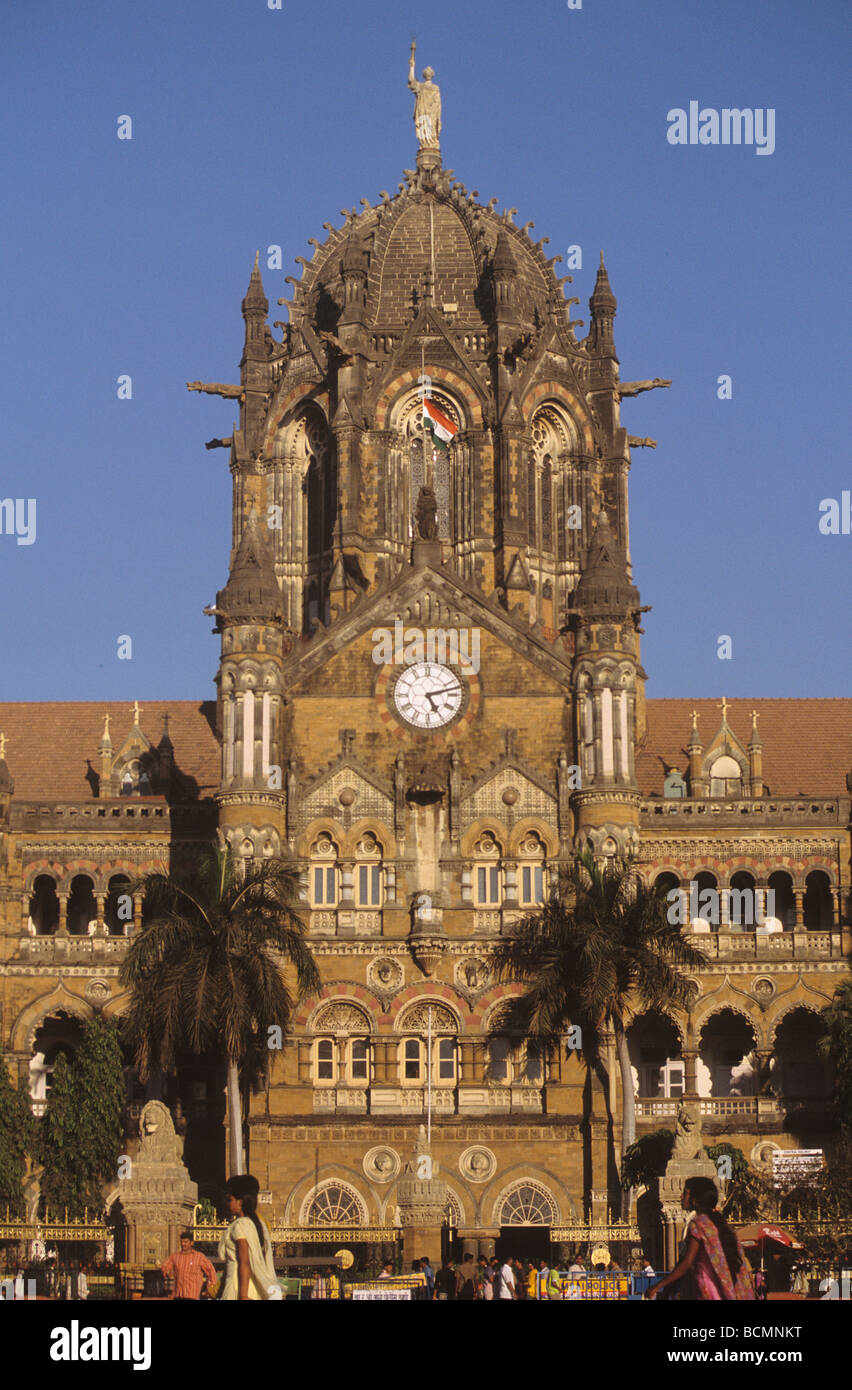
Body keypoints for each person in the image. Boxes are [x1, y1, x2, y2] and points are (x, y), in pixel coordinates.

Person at [648, 1177, 755, 1301]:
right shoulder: (722, 1225)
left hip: (707, 1290)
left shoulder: (698, 1224)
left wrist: (657, 1286)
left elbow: (686, 1262)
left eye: (685, 1193)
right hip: (726, 1290)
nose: (681, 1197)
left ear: (695, 1199)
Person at [218, 1174, 280, 1300]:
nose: (228, 1204)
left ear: (240, 1202)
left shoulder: (240, 1225)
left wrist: (242, 1295)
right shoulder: (259, 1224)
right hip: (254, 1288)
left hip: (239, 1287)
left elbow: (244, 1261)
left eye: (230, 1200)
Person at [161, 1231, 218, 1301]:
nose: (183, 1244)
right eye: (181, 1242)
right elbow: (165, 1266)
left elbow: (211, 1270)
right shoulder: (175, 1256)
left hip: (192, 1295)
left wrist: (210, 1288)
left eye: (185, 1242)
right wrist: (168, 1272)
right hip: (178, 1294)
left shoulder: (199, 1257)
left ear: (192, 1243)